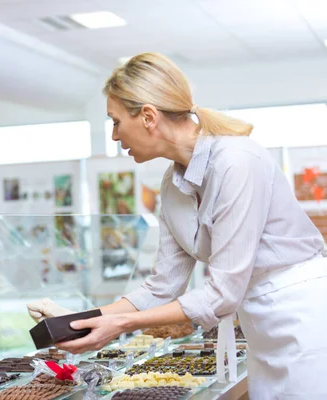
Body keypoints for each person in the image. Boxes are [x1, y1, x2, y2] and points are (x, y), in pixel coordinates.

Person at [27, 52, 327, 399]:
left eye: (115, 121)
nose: (113, 136)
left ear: (149, 117)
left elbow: (222, 292)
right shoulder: (172, 184)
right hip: (258, 320)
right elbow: (162, 286)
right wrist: (82, 319)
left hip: (305, 317)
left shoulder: (238, 162)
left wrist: (119, 324)